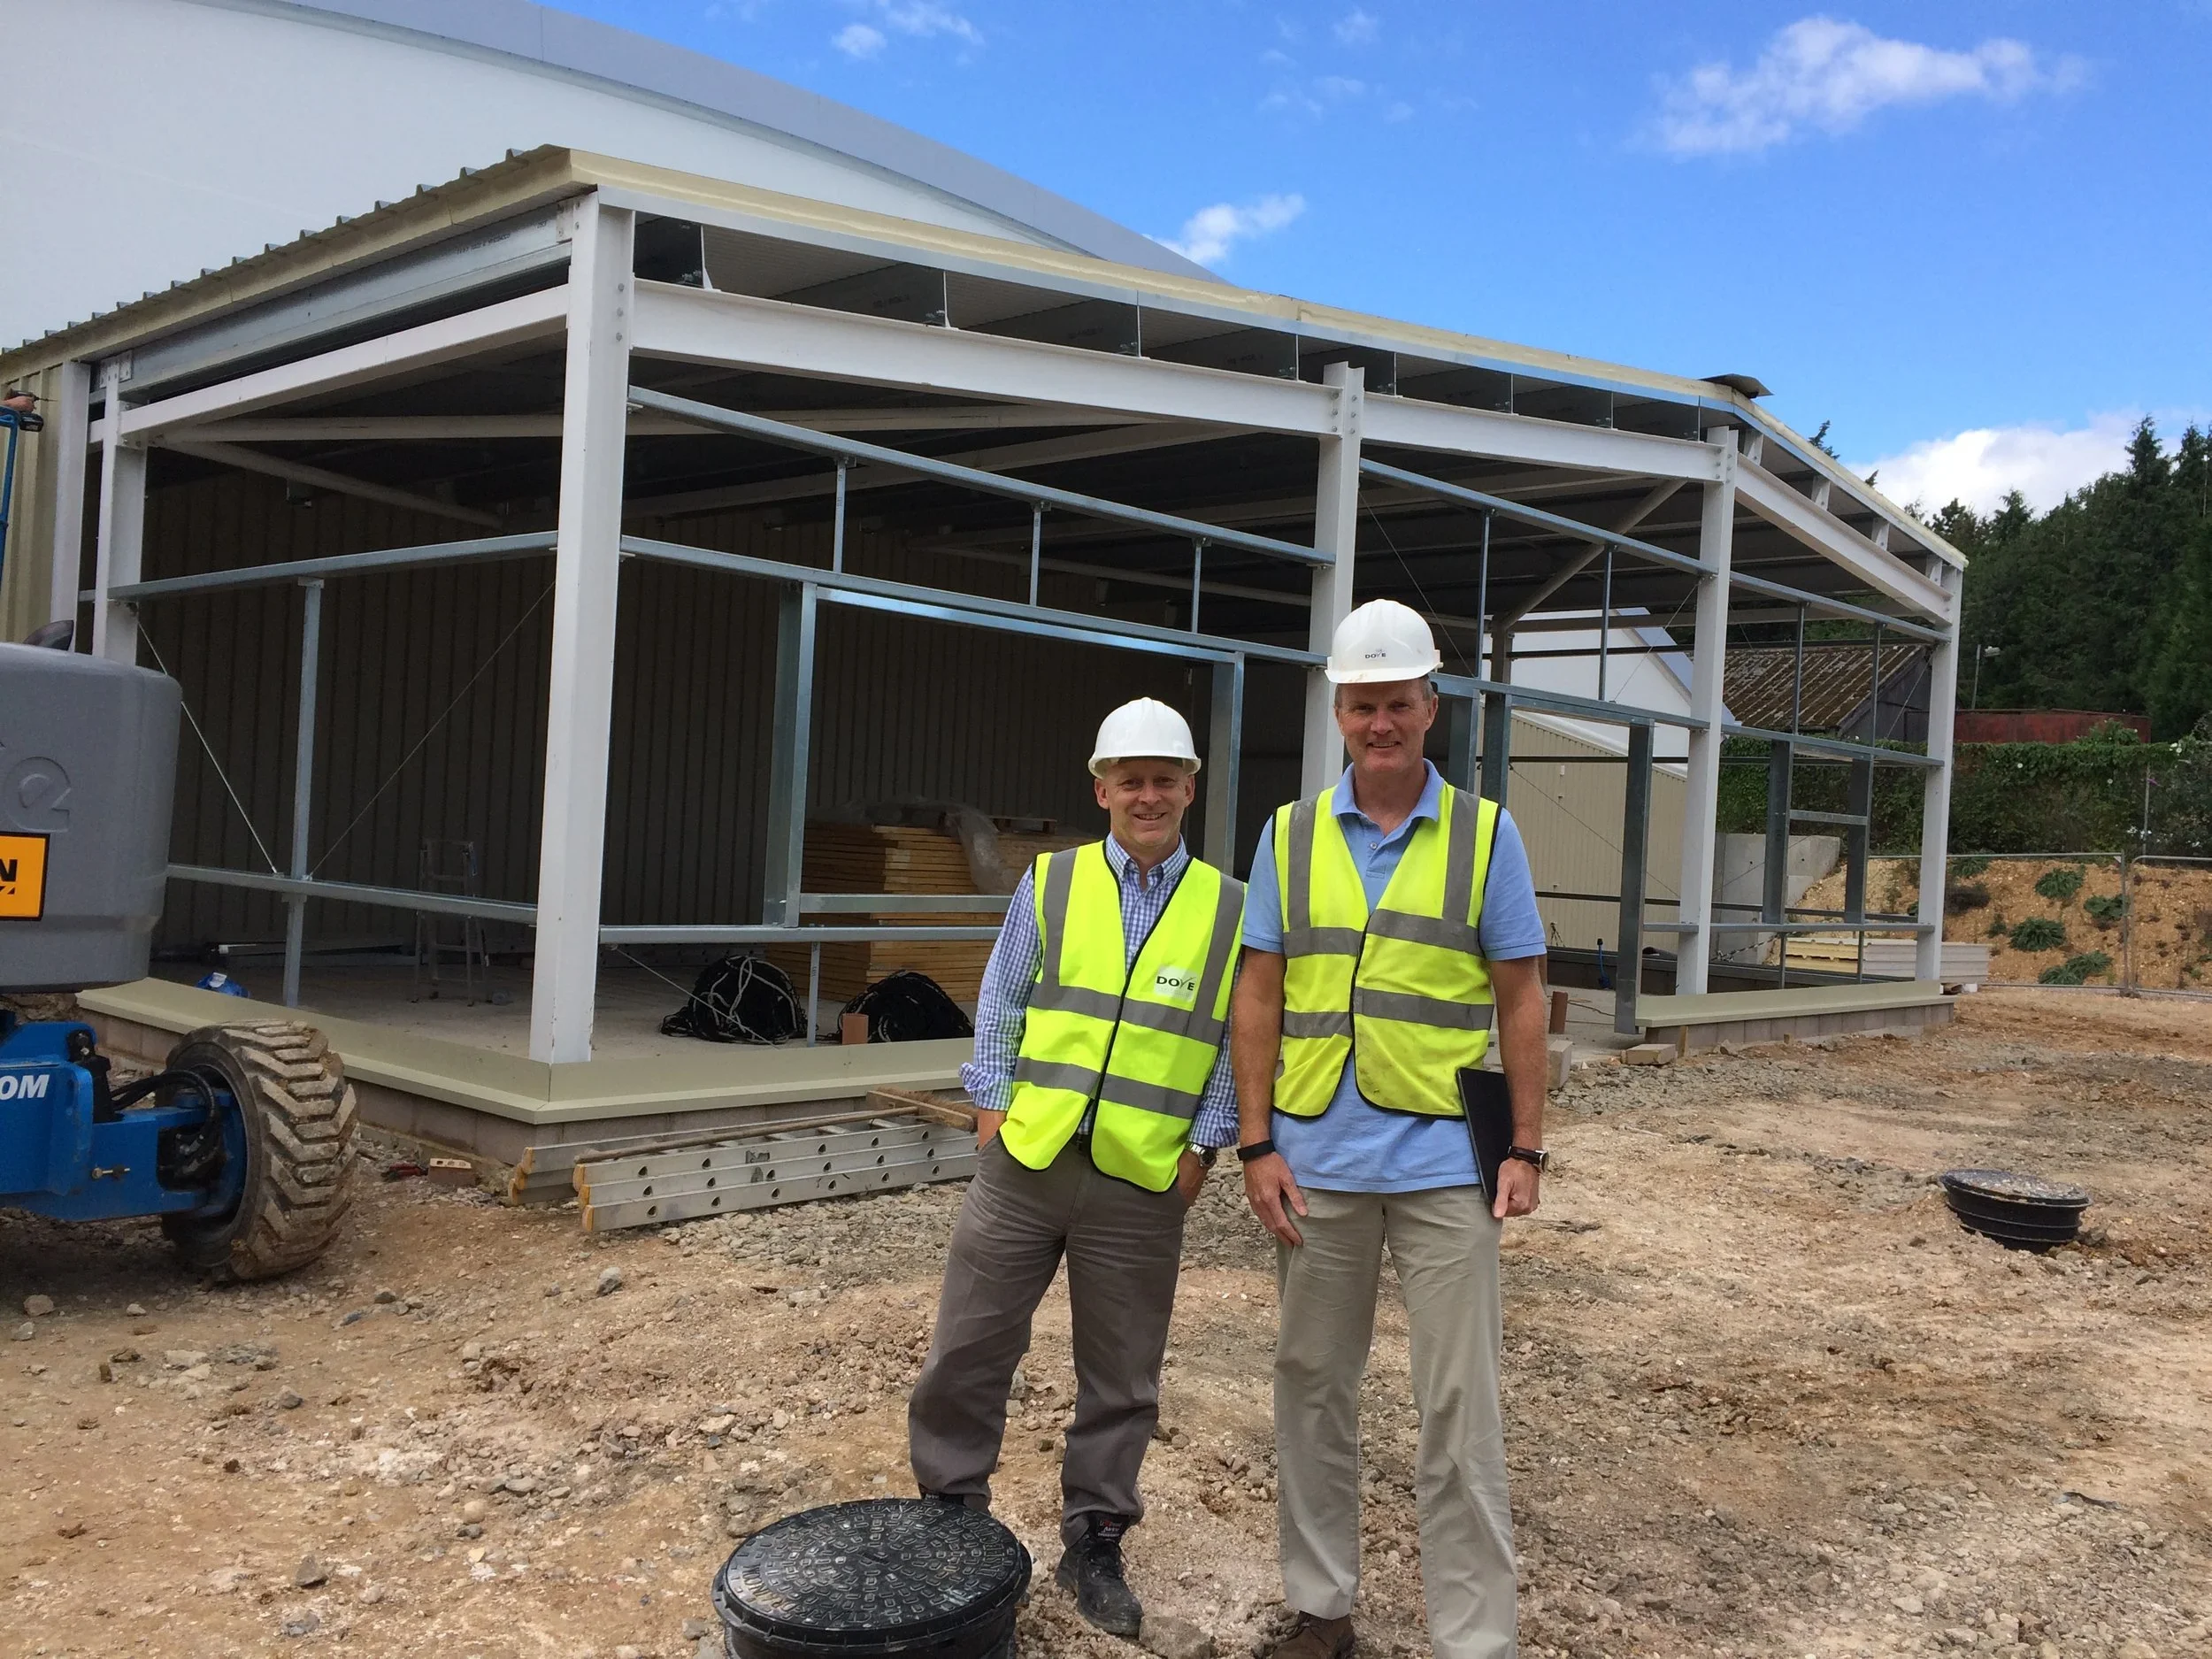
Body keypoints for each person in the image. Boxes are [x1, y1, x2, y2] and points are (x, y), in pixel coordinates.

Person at [1232, 600, 1551, 1659]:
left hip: (1443, 1170)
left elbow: (1520, 999)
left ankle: (1475, 1640)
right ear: (1339, 709)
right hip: (1314, 1162)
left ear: (1432, 706)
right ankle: (1321, 1611)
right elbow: (1260, 998)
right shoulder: (1286, 834)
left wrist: (1525, 1146)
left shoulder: (1484, 833)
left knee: (1461, 1412)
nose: (1381, 723)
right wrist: (1256, 1143)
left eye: (1398, 703)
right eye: (1363, 704)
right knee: (1312, 1393)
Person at [910, 697, 1246, 1637]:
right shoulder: (1050, 884)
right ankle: (949, 1510)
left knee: (1122, 1378)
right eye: (1129, 779)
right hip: (1025, 1160)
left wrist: (1201, 1150)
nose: (1148, 795)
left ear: (1190, 788)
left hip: (1142, 1182)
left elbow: (1226, 1041)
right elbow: (1003, 999)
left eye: (1164, 779)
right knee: (969, 1348)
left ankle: (1095, 1536)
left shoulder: (1230, 907)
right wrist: (992, 1113)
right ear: (1101, 788)